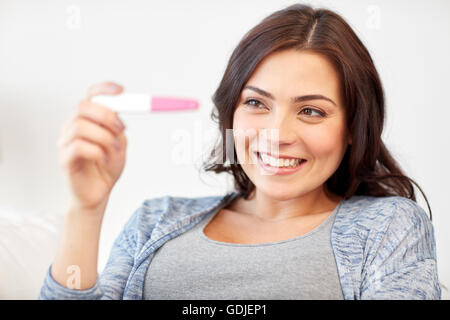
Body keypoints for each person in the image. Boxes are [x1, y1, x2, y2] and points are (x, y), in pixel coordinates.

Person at [39, 3, 441, 300]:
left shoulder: (388, 227)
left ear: (353, 127)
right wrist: (87, 209)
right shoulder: (155, 220)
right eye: (256, 103)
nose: (276, 134)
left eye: (311, 111)